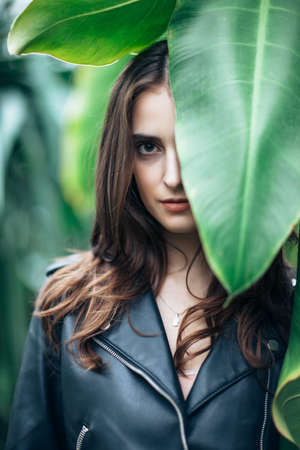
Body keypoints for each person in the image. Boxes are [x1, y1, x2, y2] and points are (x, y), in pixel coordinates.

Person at [5, 39, 297, 450]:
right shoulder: (67, 306)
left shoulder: (288, 308)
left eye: (192, 144)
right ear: (122, 155)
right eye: (148, 147)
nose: (173, 176)